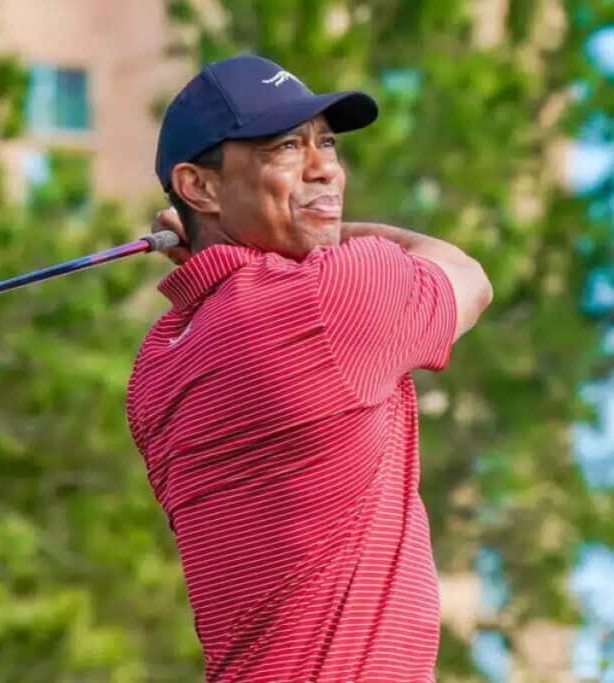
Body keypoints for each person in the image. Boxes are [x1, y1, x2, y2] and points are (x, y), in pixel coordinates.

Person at [127, 54, 492, 682]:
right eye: (287, 148)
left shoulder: (157, 364)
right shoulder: (327, 300)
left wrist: (229, 237)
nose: (325, 168)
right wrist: (329, 226)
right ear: (200, 187)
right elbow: (467, 275)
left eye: (326, 143)